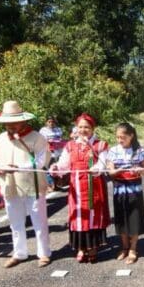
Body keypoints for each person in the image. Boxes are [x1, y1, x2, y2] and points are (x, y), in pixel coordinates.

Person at [0, 101, 51, 268]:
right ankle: (19, 253)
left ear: (23, 120)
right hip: (10, 186)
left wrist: (19, 168)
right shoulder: (1, 138)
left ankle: (44, 253)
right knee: (15, 222)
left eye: (14, 121)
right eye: (8, 122)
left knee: (39, 221)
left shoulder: (37, 137)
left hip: (33, 186)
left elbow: (41, 161)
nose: (11, 125)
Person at [51, 113, 111, 263]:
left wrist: (96, 168)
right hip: (76, 188)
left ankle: (93, 247)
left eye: (87, 127)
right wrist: (56, 168)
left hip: (94, 186)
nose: (83, 130)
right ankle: (80, 248)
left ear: (92, 128)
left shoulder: (100, 145)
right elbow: (64, 165)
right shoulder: (70, 145)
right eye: (80, 127)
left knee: (93, 215)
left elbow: (103, 163)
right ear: (76, 128)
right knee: (78, 216)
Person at [106, 122, 144, 264]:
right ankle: (124, 247)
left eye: (123, 137)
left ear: (131, 136)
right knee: (121, 219)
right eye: (117, 137)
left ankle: (133, 248)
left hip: (134, 190)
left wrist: (140, 170)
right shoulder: (113, 151)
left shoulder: (140, 150)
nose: (119, 140)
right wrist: (116, 171)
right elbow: (110, 172)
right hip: (119, 190)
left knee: (134, 219)